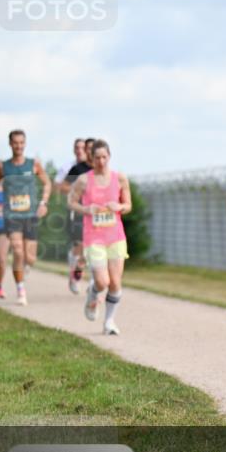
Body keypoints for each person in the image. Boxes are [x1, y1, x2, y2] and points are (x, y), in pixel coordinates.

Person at [68, 139, 131, 336]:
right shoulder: (84, 180)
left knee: (115, 282)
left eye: (104, 157)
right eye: (97, 157)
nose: (101, 161)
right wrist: (87, 209)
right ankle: (93, 293)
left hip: (116, 237)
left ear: (109, 157)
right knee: (102, 282)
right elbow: (71, 202)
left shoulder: (120, 178)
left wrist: (119, 207)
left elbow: (128, 205)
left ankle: (109, 322)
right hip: (94, 237)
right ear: (91, 158)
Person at [0, 130, 51, 306]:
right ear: (10, 144)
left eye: (21, 142)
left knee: (30, 258)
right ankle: (20, 288)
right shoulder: (2, 166)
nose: (18, 146)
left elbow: (47, 183)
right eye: (15, 142)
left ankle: (23, 271)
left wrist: (43, 203)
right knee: (17, 250)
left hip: (31, 215)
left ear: (25, 144)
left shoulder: (34, 164)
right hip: (12, 215)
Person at [57, 138, 94, 293]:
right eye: (89, 149)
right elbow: (63, 186)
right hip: (78, 211)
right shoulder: (78, 169)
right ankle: (76, 271)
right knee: (81, 245)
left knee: (94, 246)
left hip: (96, 213)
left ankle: (93, 281)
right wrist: (77, 191)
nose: (92, 152)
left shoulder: (102, 169)